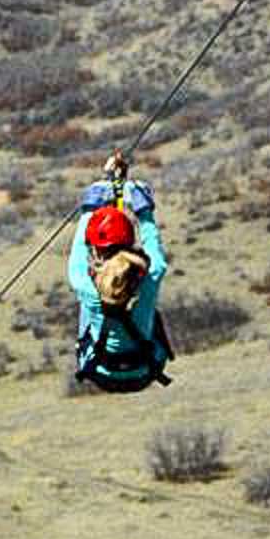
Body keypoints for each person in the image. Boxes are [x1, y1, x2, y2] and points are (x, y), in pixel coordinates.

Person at [68, 151, 173, 392]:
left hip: (100, 371)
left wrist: (91, 205)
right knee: (147, 307)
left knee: (86, 306)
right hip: (146, 370)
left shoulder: (87, 288)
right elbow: (156, 262)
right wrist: (144, 210)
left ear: (96, 252)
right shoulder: (146, 283)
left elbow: (78, 253)